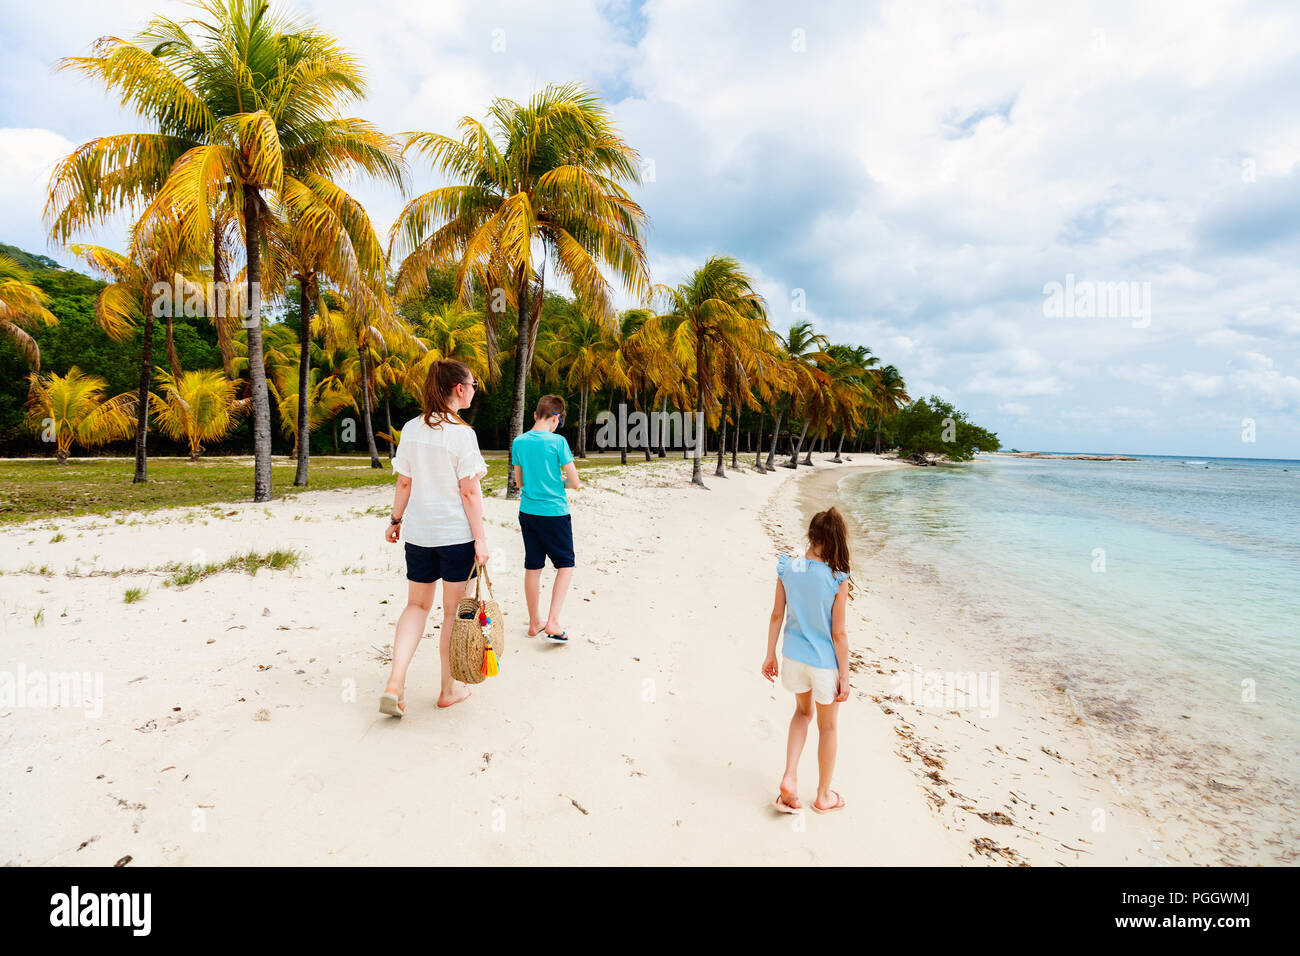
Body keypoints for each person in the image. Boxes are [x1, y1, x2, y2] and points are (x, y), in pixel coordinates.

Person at [379, 359, 489, 716]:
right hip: (455, 536)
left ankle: (395, 682)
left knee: (416, 606)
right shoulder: (462, 433)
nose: (474, 390)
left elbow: (404, 481)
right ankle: (448, 690)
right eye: (472, 385)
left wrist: (395, 519)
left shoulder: (411, 429)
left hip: (420, 535)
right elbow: (470, 493)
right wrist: (481, 540)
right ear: (459, 389)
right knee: (453, 614)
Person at [761, 507, 854, 813]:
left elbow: (776, 615)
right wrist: (845, 675)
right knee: (828, 728)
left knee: (802, 714)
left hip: (792, 658)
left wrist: (769, 654)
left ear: (811, 536)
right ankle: (824, 796)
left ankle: (789, 777)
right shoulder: (836, 578)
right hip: (824, 663)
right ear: (836, 540)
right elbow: (838, 634)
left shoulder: (788, 567)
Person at [511, 394, 581, 643]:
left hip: (528, 512)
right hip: (554, 513)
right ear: (556, 418)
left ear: (534, 415)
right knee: (565, 564)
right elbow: (574, 482)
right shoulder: (558, 442)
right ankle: (552, 621)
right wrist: (559, 483)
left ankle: (534, 623)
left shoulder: (519, 442)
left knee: (533, 566)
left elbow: (519, 482)